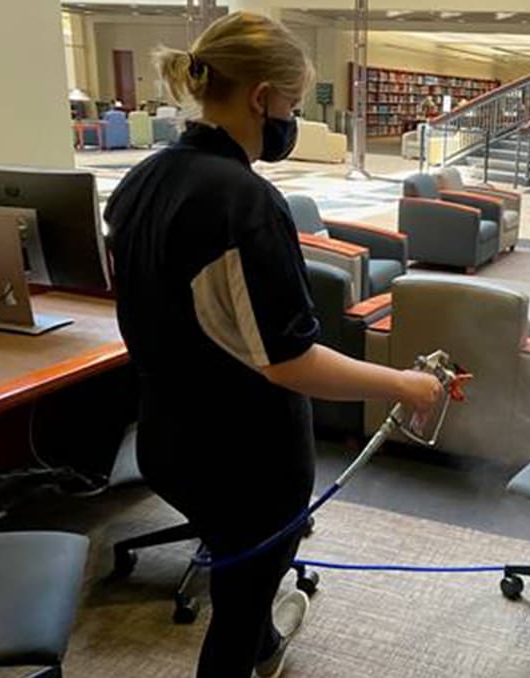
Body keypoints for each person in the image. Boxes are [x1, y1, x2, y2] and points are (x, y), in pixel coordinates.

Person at [104, 12, 442, 678]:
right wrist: (404, 385)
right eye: (290, 102)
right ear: (262, 98)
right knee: (235, 607)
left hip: (166, 437)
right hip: (243, 457)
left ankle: (261, 640)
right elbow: (289, 361)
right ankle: (246, 644)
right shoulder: (243, 201)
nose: (289, 118)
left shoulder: (139, 180)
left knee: (243, 575)